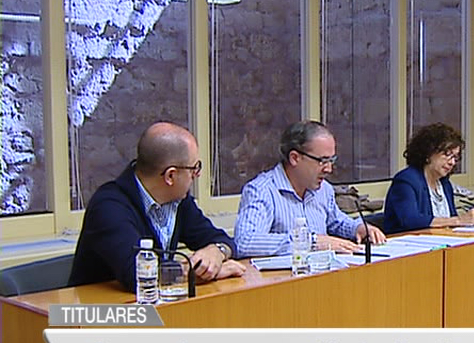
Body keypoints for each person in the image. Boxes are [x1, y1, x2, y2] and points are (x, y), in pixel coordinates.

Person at [69, 122, 245, 290]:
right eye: (194, 168)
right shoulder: (108, 207)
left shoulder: (178, 200)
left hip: (158, 304)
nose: (196, 175)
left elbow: (221, 239)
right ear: (170, 176)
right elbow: (138, 274)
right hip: (99, 308)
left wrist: (217, 251)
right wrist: (200, 272)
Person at [235, 120, 387, 257]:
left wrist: (358, 228)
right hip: (283, 277)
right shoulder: (262, 190)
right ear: (295, 158)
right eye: (322, 161)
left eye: (332, 160)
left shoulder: (323, 189)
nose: (329, 169)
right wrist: (311, 242)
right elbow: (245, 241)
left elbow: (337, 221)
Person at [383, 123, 474, 234]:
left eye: (455, 157)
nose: (452, 162)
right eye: (447, 154)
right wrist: (459, 220)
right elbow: (410, 220)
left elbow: (452, 221)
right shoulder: (406, 180)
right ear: (428, 153)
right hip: (408, 242)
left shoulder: (445, 184)